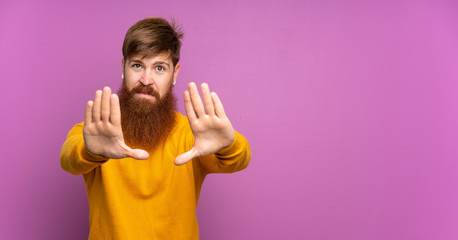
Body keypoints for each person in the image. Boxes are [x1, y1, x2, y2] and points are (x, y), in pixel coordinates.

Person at [60, 17, 251, 240]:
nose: (147, 79)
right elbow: (68, 158)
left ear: (175, 74)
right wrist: (91, 152)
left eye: (159, 68)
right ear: (123, 67)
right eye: (137, 65)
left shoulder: (192, 134)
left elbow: (239, 160)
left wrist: (228, 145)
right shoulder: (96, 132)